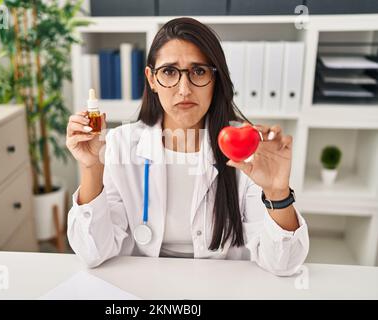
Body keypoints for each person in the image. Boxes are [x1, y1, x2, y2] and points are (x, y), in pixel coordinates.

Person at [66, 17, 309, 276]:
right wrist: (92, 168)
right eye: (169, 71)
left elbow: (284, 265)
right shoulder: (120, 144)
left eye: (199, 71)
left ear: (216, 79)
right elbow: (92, 253)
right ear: (151, 79)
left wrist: (277, 192)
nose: (184, 89)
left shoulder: (247, 149)